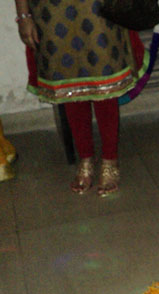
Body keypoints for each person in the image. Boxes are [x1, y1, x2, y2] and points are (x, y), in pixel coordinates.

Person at [14, 0, 148, 196]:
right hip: (51, 10)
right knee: (67, 82)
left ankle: (110, 160)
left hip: (96, 8)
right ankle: (85, 157)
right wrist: (23, 16)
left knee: (105, 79)